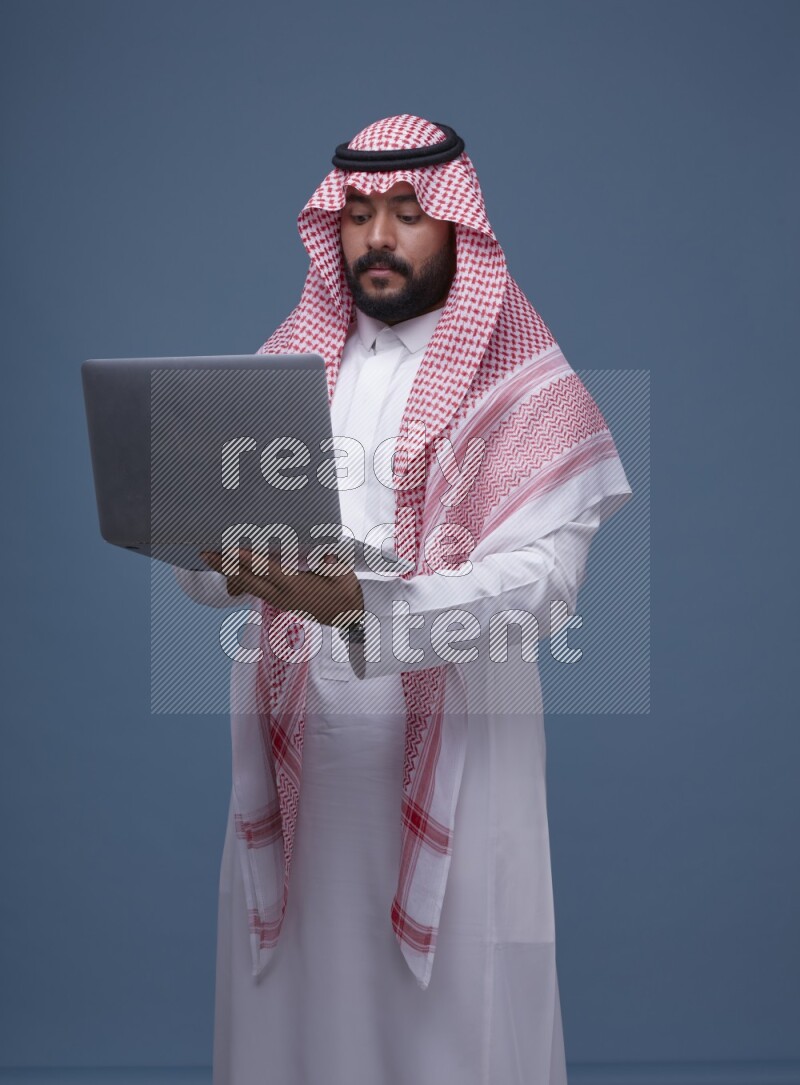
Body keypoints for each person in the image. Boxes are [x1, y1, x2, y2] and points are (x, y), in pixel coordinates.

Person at [175, 114, 632, 1085]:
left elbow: (544, 588)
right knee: (290, 1017)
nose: (377, 237)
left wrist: (366, 608)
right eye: (357, 213)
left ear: (459, 228)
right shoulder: (280, 370)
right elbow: (205, 564)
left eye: (408, 212)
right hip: (300, 756)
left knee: (453, 1031)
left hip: (461, 764)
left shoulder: (525, 389)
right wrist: (213, 556)